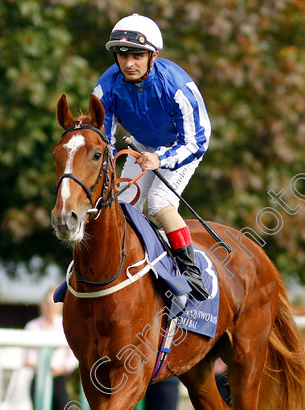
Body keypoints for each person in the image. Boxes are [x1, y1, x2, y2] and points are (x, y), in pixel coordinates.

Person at [93, 13, 212, 301]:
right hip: (141, 145)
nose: (128, 63)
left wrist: (159, 160)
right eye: (122, 56)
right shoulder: (105, 87)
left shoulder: (177, 86)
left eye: (136, 55)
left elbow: (193, 141)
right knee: (117, 203)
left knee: (158, 202)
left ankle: (190, 270)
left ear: (153, 55)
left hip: (184, 146)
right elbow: (104, 140)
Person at [23, 288, 80, 410]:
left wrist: (61, 368)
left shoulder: (66, 325)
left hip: (58, 380)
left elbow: (73, 355)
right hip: (38, 381)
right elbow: (25, 357)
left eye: (53, 303)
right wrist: (42, 368)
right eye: (46, 303)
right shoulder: (32, 327)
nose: (49, 307)